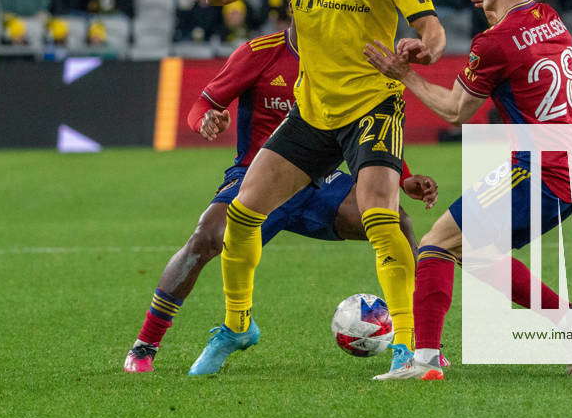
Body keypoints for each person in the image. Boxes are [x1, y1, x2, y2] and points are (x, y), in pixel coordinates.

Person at [188, 0, 445, 376]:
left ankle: (411, 349)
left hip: (373, 104)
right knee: (242, 213)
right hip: (313, 109)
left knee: (380, 214)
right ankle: (238, 328)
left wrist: (423, 48)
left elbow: (434, 30)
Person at [123, 25, 439, 372]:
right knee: (205, 236)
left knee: (397, 221)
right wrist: (206, 121)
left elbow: (371, 127)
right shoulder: (259, 53)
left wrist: (405, 177)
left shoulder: (351, 55)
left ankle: (422, 343)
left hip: (320, 182)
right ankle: (145, 345)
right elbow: (203, 104)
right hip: (255, 179)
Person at [363, 0, 572, 380]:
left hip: (541, 172)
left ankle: (424, 361)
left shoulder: (495, 42)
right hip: (568, 166)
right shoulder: (551, 18)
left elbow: (455, 111)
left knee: (435, 245)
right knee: (474, 252)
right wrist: (494, 4)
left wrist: (402, 72)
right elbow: (511, 49)